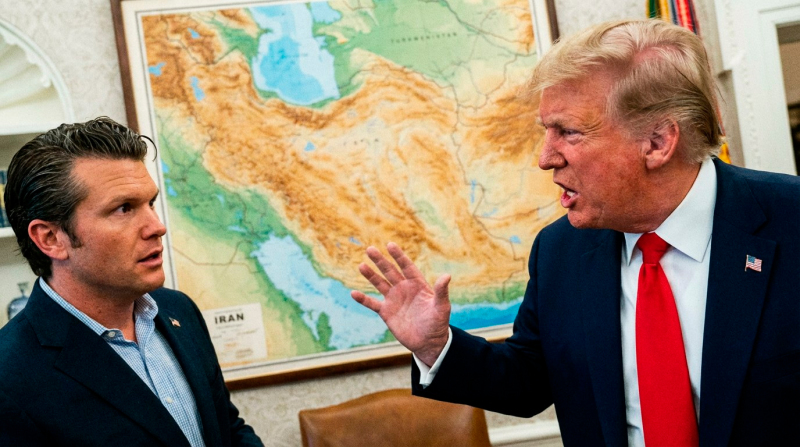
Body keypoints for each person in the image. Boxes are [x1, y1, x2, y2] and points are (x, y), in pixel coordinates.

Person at [352, 19, 800, 447]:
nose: (545, 158)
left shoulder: (791, 220)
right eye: (546, 131)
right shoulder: (560, 250)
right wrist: (437, 346)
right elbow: (528, 380)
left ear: (658, 142)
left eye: (568, 132)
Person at [0, 117, 263, 447]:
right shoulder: (9, 377)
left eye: (150, 203)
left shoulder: (178, 310)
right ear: (51, 238)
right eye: (124, 208)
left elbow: (228, 429)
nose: (157, 226)